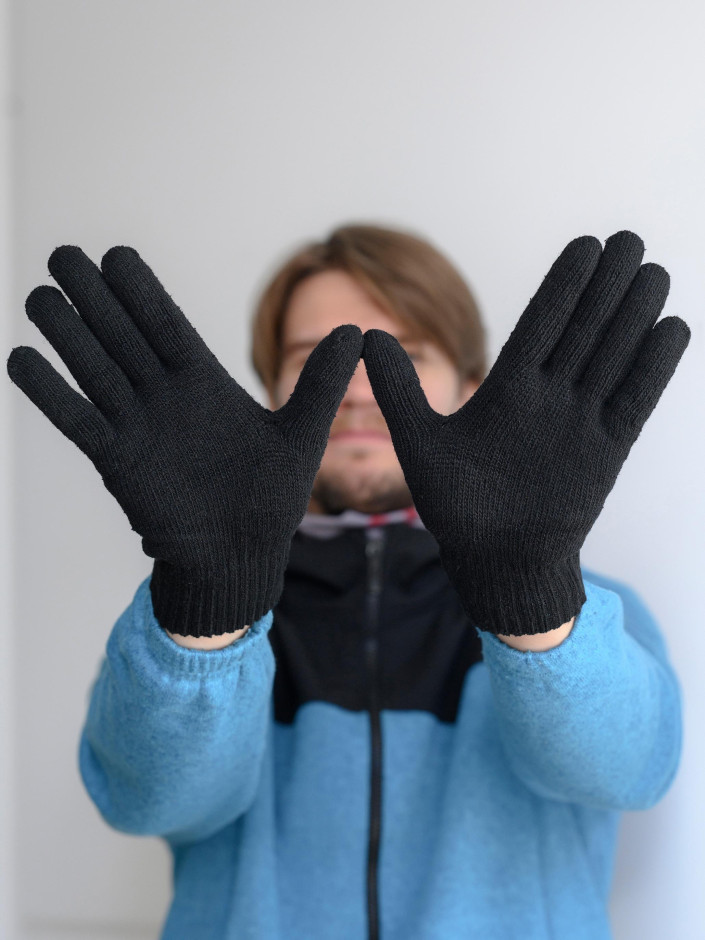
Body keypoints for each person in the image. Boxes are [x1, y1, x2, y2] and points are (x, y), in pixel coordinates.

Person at [7, 224, 690, 940]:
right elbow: (145, 801)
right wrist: (208, 604)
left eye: (405, 356)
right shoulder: (178, 621)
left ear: (473, 385)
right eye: (317, 359)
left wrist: (533, 598)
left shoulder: (588, 614)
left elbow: (631, 771)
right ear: (270, 392)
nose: (360, 392)